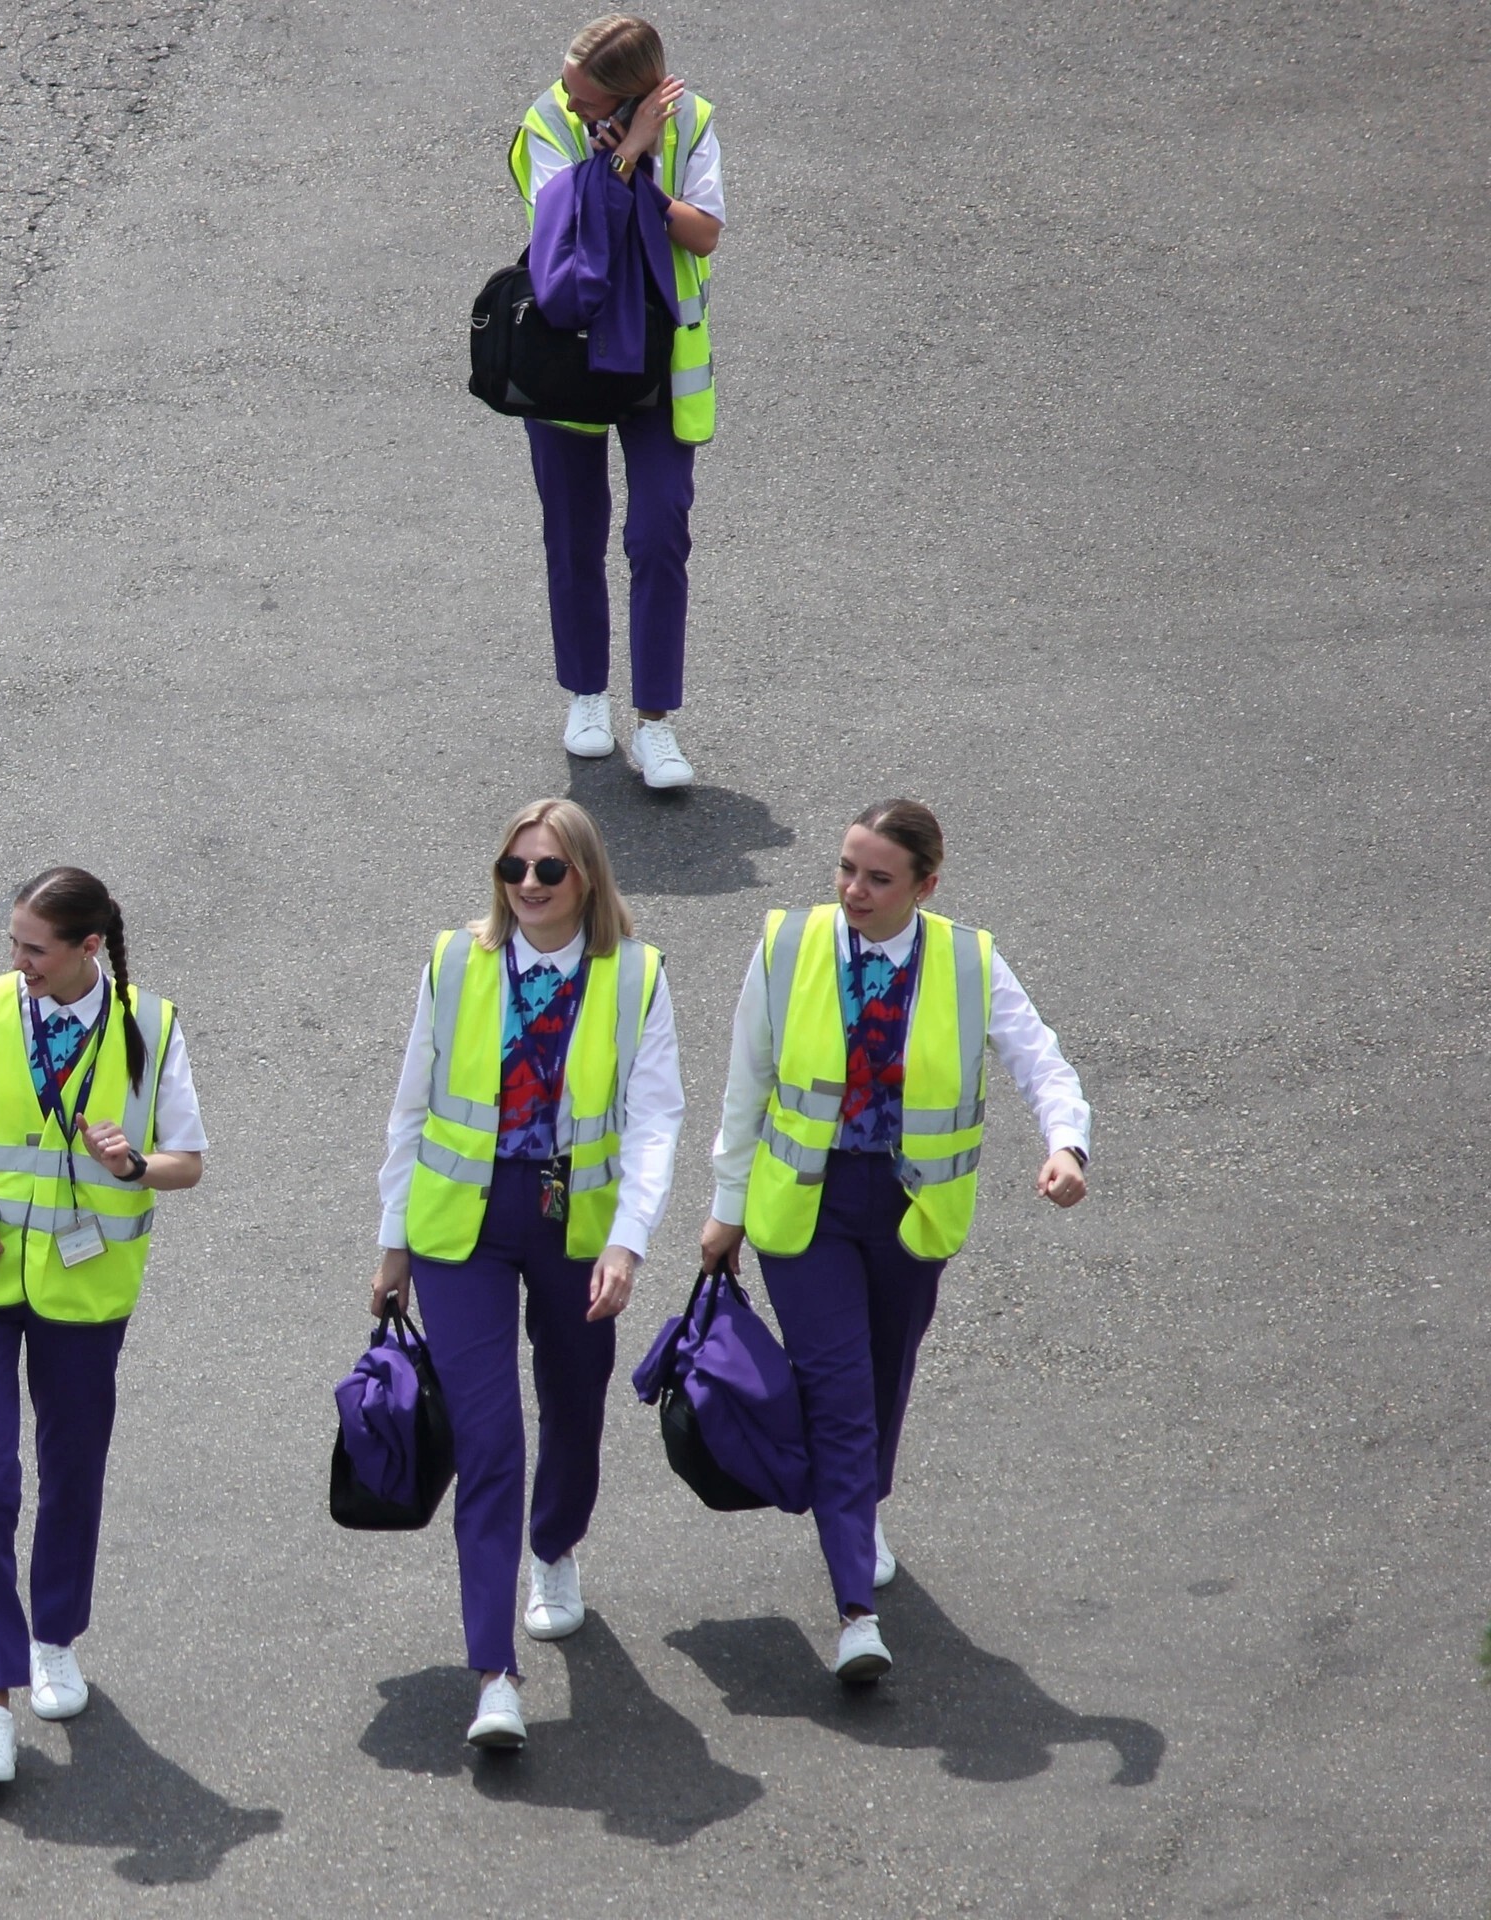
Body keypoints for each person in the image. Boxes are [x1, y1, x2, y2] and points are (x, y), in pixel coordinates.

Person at [699, 801, 1090, 1683]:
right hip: (805, 1209)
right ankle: (856, 1618)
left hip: (912, 1213)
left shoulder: (967, 961)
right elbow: (745, 1083)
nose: (853, 890)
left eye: (878, 878)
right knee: (837, 1392)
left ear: (926, 885)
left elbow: (1040, 1059)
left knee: (883, 1375)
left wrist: (1066, 1145)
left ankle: (858, 1500)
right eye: (845, 869)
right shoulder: (787, 947)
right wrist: (725, 1205)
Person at [372, 798, 684, 1748]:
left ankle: (556, 1544)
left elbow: (656, 1119)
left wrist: (628, 1242)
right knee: (489, 1435)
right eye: (514, 871)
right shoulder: (455, 962)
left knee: (576, 1401)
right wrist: (393, 1245)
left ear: (585, 877)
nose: (530, 887)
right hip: (459, 1228)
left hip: (575, 1228)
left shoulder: (634, 976)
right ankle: (494, 1674)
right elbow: (412, 1108)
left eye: (549, 870)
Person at [0, 867, 206, 1784]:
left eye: (33, 949)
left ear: (87, 949)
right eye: (12, 944)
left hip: (85, 1295)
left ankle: (56, 1638)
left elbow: (187, 1162)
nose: (16, 963)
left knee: (73, 1471)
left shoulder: (149, 1027)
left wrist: (129, 1167)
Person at [509, 15, 724, 789]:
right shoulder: (544, 122)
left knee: (659, 534)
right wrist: (621, 163)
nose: (569, 106)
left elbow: (702, 236)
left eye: (585, 97)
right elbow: (557, 233)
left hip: (660, 364)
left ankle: (656, 723)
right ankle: (588, 696)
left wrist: (643, 177)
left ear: (633, 97)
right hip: (569, 361)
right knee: (574, 536)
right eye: (568, 90)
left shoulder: (692, 122)